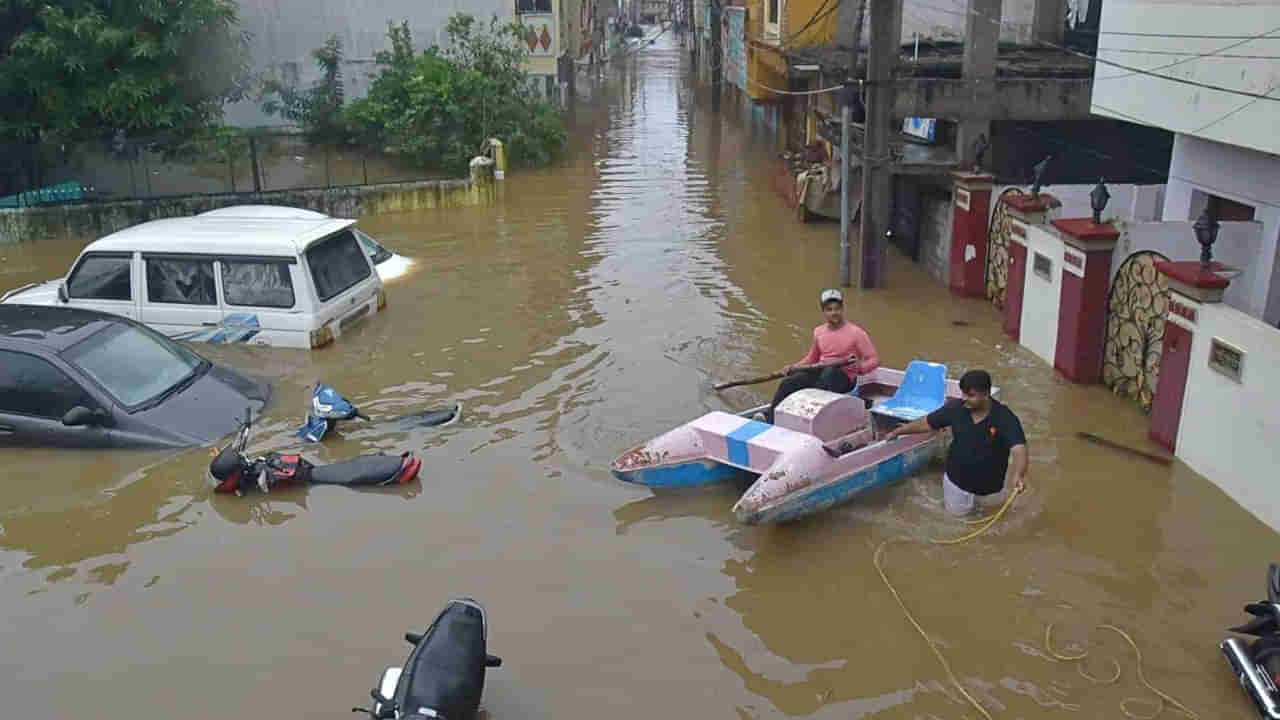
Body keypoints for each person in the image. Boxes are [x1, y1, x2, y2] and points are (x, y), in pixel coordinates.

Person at [882, 369, 1028, 516]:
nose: (964, 398)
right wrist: (898, 432)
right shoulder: (955, 408)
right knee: (956, 522)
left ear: (986, 394)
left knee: (993, 520)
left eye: (970, 395)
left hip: (991, 488)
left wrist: (1019, 475)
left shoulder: (1005, 417)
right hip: (957, 484)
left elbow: (1019, 448)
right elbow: (926, 423)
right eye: (963, 393)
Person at [756, 289, 880, 424]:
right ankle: (770, 419)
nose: (834, 313)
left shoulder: (856, 333)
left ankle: (805, 419)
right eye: (829, 309)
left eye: (837, 309)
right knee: (789, 382)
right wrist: (793, 367)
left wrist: (860, 368)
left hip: (844, 378)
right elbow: (811, 359)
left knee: (829, 374)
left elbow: (874, 359)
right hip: (821, 372)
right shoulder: (819, 332)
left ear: (842, 309)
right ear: (824, 312)